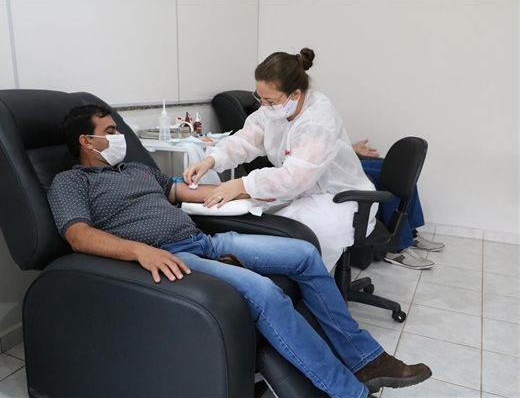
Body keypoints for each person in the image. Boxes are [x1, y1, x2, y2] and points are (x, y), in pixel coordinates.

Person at [47, 105, 432, 398]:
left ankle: (365, 359)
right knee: (267, 293)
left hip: (206, 241)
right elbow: (78, 236)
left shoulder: (135, 170)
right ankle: (348, 392)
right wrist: (138, 252)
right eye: (110, 131)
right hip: (171, 257)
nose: (119, 138)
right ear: (86, 140)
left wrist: (237, 189)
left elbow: (181, 191)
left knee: (304, 254)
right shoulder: (71, 182)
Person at [183, 48, 377, 272]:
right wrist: (212, 160)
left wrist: (241, 184)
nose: (264, 105)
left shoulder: (317, 121)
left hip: (339, 197)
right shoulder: (275, 108)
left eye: (269, 100)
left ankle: (302, 295)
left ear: (295, 94)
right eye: (260, 98)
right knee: (256, 223)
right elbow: (246, 139)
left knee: (292, 239)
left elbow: (295, 177)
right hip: (304, 191)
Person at [352, 140, 445, 270]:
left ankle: (411, 234)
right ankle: (397, 248)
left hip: (343, 158)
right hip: (332, 166)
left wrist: (352, 148)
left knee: (403, 173)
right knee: (391, 179)